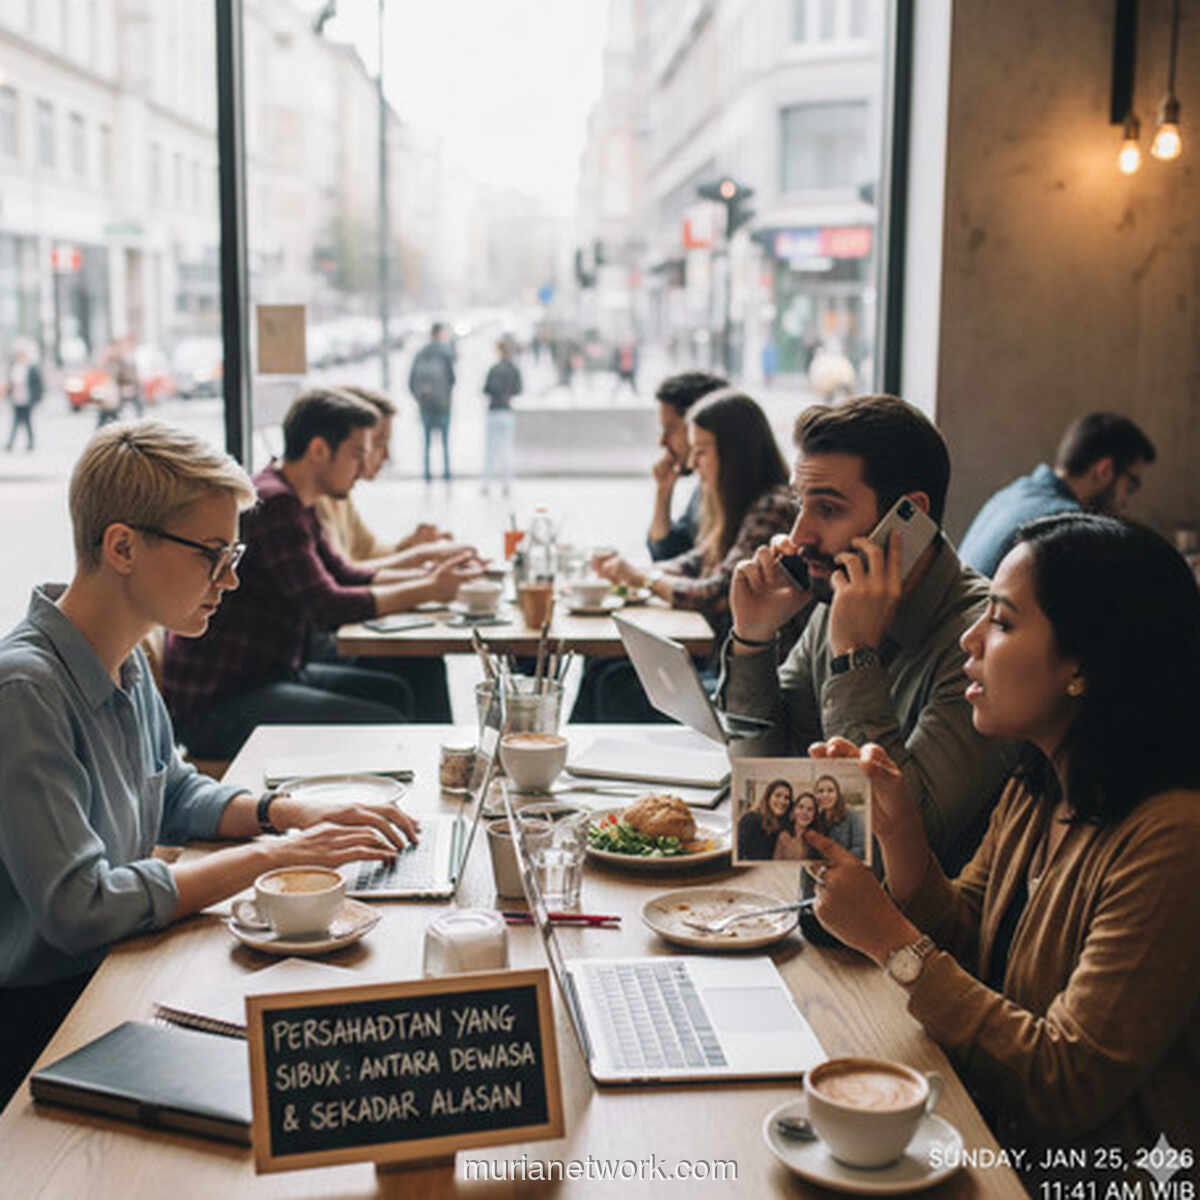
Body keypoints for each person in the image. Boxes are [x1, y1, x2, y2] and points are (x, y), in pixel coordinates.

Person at [0, 420, 418, 1104]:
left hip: (120, 967)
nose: (230, 578)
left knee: (347, 1035)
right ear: (122, 547)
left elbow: (171, 792)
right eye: (213, 554)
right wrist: (276, 855)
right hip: (42, 1021)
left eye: (234, 552)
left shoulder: (125, 655)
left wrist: (289, 812)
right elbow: (81, 908)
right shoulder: (24, 689)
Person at [801, 514, 1200, 1186]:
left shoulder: (1173, 838)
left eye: (1004, 622)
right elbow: (968, 942)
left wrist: (891, 942)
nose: (971, 639)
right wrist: (900, 833)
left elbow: (1064, 1083)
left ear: (1084, 665)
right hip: (994, 1139)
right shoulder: (1040, 783)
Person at [721, 395, 1014, 873]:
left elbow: (884, 846)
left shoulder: (983, 641)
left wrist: (854, 657)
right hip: (812, 893)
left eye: (828, 509)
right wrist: (753, 640)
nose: (799, 536)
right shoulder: (838, 597)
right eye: (800, 504)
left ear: (908, 517)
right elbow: (763, 785)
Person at [163, 388, 480, 759]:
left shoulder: (295, 499)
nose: (363, 466)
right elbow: (326, 606)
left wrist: (431, 574)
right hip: (220, 705)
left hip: (269, 676)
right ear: (318, 449)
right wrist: (429, 588)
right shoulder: (274, 504)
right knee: (384, 721)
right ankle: (429, 777)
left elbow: (344, 573)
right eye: (356, 454)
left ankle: (445, 773)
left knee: (397, 692)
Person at [572, 388, 798, 721]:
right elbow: (696, 560)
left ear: (735, 453)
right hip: (721, 662)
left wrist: (642, 578)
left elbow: (717, 592)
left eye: (701, 452)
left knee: (615, 683)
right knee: (602, 668)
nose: (691, 463)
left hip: (749, 682)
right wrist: (629, 570)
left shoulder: (773, 507)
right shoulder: (738, 501)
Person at [958, 412, 1156, 577]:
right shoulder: (1065, 526)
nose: (1126, 502)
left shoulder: (1016, 492)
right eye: (1131, 486)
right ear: (1104, 470)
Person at [313, 384, 459, 570]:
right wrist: (417, 561)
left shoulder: (339, 494)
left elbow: (367, 551)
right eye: (379, 443)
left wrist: (407, 548)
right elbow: (344, 575)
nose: (386, 456)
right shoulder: (315, 500)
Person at [645, 371, 729, 562]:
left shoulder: (740, 493)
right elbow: (667, 554)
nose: (662, 441)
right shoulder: (705, 487)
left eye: (670, 429)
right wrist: (663, 491)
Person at [408, 321, 456, 483]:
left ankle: (427, 474)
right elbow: (452, 380)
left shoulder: (420, 353)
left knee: (427, 442)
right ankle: (446, 473)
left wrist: (420, 399)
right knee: (445, 442)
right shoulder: (445, 352)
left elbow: (411, 382)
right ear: (440, 334)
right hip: (443, 405)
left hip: (425, 405)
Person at [481, 338, 522, 496]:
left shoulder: (494, 369)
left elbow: (486, 389)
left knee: (490, 450)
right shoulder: (514, 369)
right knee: (506, 449)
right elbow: (518, 389)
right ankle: (506, 483)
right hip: (507, 410)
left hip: (493, 410)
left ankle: (486, 482)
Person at [814, 772, 866, 860]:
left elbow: (860, 849)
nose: (825, 795)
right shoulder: (817, 819)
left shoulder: (852, 816)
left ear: (837, 794)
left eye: (830, 790)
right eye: (821, 791)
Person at [738, 778, 793, 860]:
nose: (782, 801)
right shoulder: (751, 819)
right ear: (768, 798)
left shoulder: (784, 824)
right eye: (778, 795)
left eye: (787, 798)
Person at [5, 340, 43, 452]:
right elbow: (10, 383)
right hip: (16, 399)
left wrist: (36, 398)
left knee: (27, 422)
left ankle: (29, 443)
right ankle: (11, 443)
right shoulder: (14, 367)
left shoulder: (31, 368)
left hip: (27, 399)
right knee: (16, 421)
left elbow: (38, 384)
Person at [774, 791, 818, 861]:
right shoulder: (783, 836)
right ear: (794, 810)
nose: (804, 812)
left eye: (810, 809)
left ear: (814, 815)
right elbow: (775, 864)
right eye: (801, 807)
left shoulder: (818, 839)